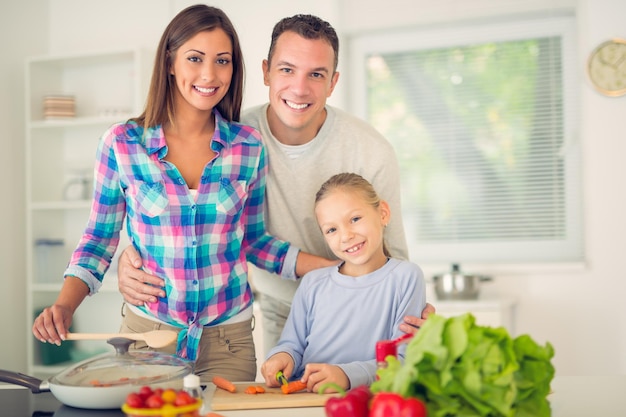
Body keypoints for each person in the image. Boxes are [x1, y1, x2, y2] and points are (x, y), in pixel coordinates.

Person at [31, 4, 332, 384]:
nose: (209, 74)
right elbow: (99, 238)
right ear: (170, 62)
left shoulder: (248, 146)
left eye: (222, 61)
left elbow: (254, 241)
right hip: (147, 338)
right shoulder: (122, 144)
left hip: (229, 340)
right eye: (195, 58)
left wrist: (333, 269)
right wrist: (64, 304)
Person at [116, 13, 435, 358]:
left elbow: (394, 256)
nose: (300, 88)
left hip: (359, 302)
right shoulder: (234, 137)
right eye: (287, 70)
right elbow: (188, 217)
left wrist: (412, 305)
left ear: (333, 82)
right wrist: (131, 260)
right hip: (278, 305)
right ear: (266, 71)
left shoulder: (371, 151)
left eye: (316, 74)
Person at [261, 173, 426, 392]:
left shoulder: (406, 277)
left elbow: (403, 360)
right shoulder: (313, 283)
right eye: (332, 230)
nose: (346, 235)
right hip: (305, 399)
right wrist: (281, 356)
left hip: (368, 401)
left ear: (383, 213)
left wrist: (347, 376)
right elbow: (292, 345)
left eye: (355, 219)